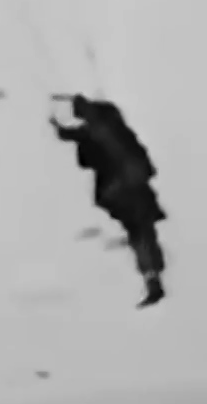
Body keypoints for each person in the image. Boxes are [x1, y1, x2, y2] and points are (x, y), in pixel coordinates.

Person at [51, 94, 169, 308]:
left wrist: (66, 118)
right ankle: (152, 278)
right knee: (141, 233)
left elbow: (89, 138)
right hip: (130, 188)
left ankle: (152, 277)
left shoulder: (103, 129)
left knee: (140, 233)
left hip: (123, 189)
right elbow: (76, 136)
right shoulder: (110, 128)